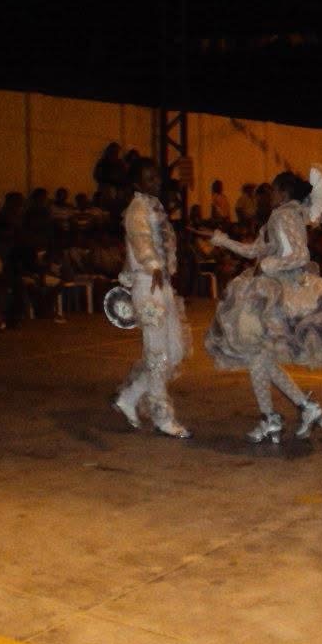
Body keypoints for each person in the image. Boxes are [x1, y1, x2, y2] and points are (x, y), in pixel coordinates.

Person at [206, 166, 322, 444]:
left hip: (280, 293)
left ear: (282, 193)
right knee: (260, 357)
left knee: (258, 356)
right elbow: (254, 250)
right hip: (276, 291)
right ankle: (301, 408)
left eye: (273, 190)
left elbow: (299, 255)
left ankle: (277, 417)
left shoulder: (283, 215)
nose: (268, 196)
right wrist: (224, 241)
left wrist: (269, 265)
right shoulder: (283, 216)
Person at [111, 157, 193, 439]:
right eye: (149, 178)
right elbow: (141, 240)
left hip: (162, 284)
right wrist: (154, 265)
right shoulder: (137, 208)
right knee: (157, 354)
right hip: (148, 285)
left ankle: (130, 397)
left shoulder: (154, 206)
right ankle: (162, 417)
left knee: (175, 351)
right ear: (137, 183)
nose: (156, 182)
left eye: (157, 177)